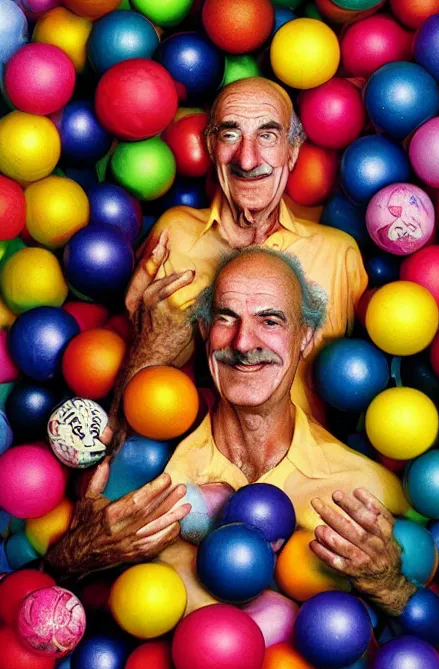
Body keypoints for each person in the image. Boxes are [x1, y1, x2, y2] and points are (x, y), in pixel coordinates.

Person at [46, 248, 415, 669]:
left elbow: (429, 648)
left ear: (305, 339)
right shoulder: (148, 479)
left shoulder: (361, 487)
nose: (246, 342)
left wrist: (391, 585)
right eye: (226, 319)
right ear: (203, 334)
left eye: (271, 321)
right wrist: (80, 554)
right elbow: (39, 605)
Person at [111, 76, 367, 428]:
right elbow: (144, 402)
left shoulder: (339, 254)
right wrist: (145, 342)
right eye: (230, 134)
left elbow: (363, 389)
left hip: (311, 475)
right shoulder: (175, 236)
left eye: (268, 136)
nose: (247, 160)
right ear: (210, 146)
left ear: (292, 151)